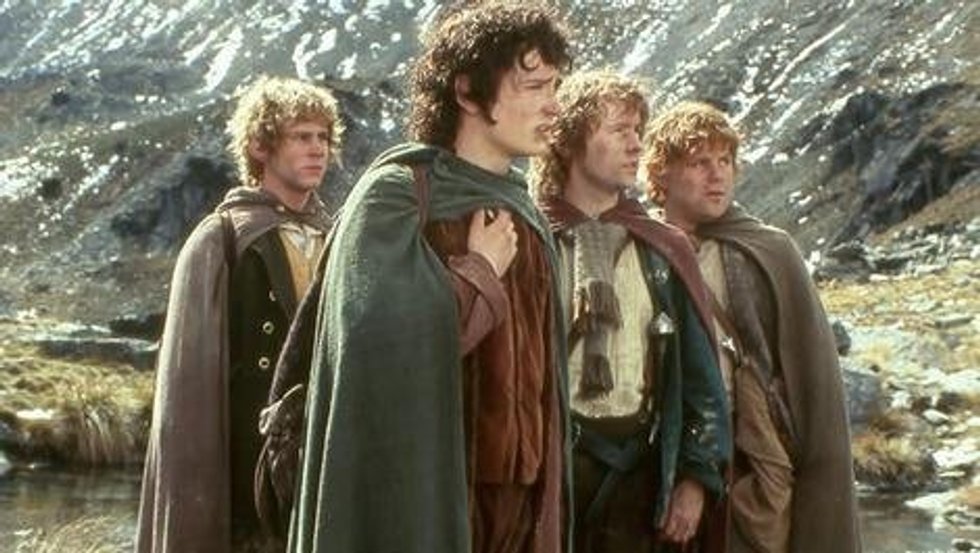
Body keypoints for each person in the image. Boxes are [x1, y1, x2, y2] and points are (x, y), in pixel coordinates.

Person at [288, 4, 573, 553]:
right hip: (426, 496)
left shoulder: (529, 216)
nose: (553, 105)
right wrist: (477, 275)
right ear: (467, 92)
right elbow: (374, 345)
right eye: (535, 86)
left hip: (521, 508)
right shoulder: (395, 197)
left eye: (555, 86)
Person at [136, 76, 343, 553]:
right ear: (260, 146)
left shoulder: (337, 238)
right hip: (245, 472)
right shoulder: (221, 239)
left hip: (319, 463)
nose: (318, 149)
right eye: (301, 136)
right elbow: (189, 386)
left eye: (323, 137)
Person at [645, 100, 861, 552]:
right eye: (700, 163)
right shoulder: (640, 248)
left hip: (748, 463)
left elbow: (812, 382)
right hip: (652, 461)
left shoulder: (768, 250)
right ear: (662, 173)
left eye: (725, 161)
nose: (717, 175)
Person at [529, 70, 730, 553]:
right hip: (548, 475)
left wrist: (695, 479)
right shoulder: (531, 241)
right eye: (619, 130)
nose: (636, 144)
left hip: (640, 478)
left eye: (638, 130)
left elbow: (700, 377)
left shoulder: (662, 248)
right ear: (569, 139)